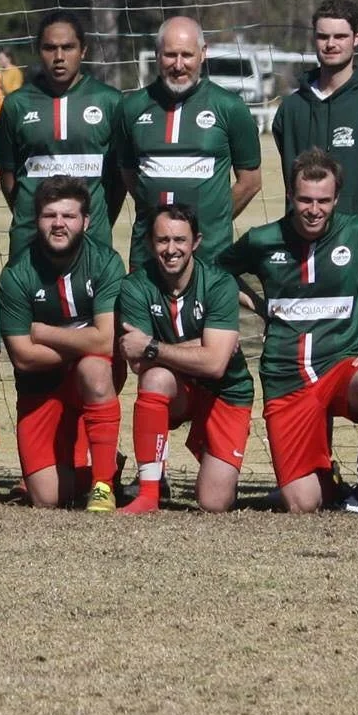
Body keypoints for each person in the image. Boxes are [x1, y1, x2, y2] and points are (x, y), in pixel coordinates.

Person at [219, 149, 358, 516]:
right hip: (285, 376)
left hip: (340, 366)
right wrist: (257, 305)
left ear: (336, 199)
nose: (314, 209)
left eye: (323, 200)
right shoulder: (262, 239)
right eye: (305, 199)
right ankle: (328, 480)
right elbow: (216, 273)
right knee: (302, 504)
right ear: (290, 196)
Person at [115, 203, 254, 514]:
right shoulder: (135, 286)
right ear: (150, 242)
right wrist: (202, 346)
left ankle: (212, 455)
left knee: (214, 502)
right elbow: (137, 362)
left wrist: (154, 346)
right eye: (162, 240)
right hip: (177, 387)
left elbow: (215, 365)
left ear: (196, 242)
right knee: (155, 378)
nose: (171, 249)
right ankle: (149, 493)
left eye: (180, 240)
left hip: (226, 392)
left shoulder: (219, 283)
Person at [0, 177, 126, 510]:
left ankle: (102, 484)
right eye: (49, 215)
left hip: (88, 379)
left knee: (94, 369)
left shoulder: (106, 262)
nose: (59, 223)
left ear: (86, 221)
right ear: (36, 220)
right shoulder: (16, 273)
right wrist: (84, 342)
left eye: (68, 216)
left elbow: (106, 342)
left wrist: (43, 332)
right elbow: (23, 357)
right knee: (46, 498)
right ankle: (106, 463)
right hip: (40, 386)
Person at [114, 15, 262, 269]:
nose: (179, 65)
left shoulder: (230, 107)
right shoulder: (131, 108)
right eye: (170, 55)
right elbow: (129, 174)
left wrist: (213, 220)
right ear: (157, 55)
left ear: (203, 53)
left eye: (187, 55)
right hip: (147, 255)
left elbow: (250, 182)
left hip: (210, 256)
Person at [0, 11, 126, 262]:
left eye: (68, 47)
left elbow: (119, 179)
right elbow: (8, 175)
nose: (59, 57)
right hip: (30, 238)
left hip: (92, 238)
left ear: (83, 50)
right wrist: (29, 212)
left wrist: (98, 218)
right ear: (39, 51)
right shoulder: (16, 105)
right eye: (50, 48)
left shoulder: (110, 101)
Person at [270, 0, 358, 223]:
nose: (330, 44)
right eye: (323, 37)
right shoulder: (292, 108)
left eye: (340, 37)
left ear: (357, 38)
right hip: (302, 235)